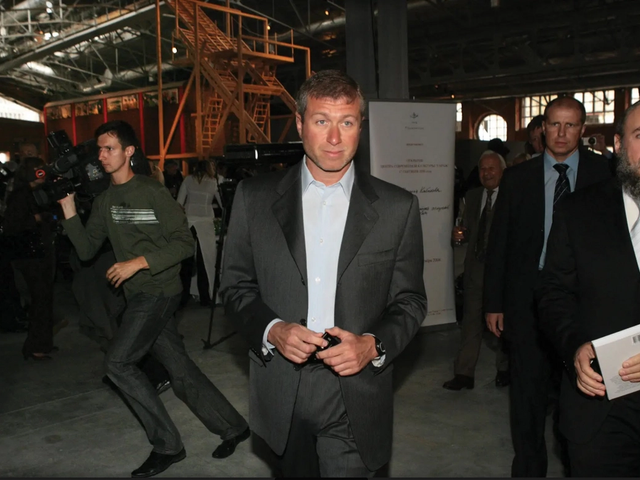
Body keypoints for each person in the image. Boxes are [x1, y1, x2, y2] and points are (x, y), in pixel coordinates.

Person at [219, 70, 428, 477]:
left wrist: (372, 345)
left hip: (355, 389)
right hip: (283, 383)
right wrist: (273, 330)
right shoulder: (254, 199)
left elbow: (410, 300)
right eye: (321, 121)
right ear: (299, 124)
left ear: (360, 126)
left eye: (346, 122)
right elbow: (236, 287)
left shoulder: (396, 207)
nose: (334, 138)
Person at [57, 120, 249, 478]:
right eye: (100, 150)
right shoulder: (104, 201)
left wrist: (138, 262)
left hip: (159, 291)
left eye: (110, 148)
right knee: (179, 368)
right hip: (137, 295)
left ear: (129, 151)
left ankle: (167, 445)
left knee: (118, 363)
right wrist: (68, 211)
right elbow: (85, 250)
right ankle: (234, 427)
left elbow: (184, 243)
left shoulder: (151, 191)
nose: (102, 155)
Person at [483, 96, 611, 477]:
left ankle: (576, 467)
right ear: (542, 128)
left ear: (582, 130)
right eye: (554, 124)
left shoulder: (604, 174)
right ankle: (528, 469)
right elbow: (499, 244)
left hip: (583, 304)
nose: (561, 133)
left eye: (570, 125)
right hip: (527, 304)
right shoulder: (518, 178)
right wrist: (493, 302)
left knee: (579, 396)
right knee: (526, 397)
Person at [537, 100, 640, 477]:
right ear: (619, 143)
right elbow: (553, 293)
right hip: (600, 407)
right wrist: (574, 346)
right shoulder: (578, 211)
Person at [443, 151, 509, 391]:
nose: (487, 173)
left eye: (492, 168)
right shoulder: (472, 196)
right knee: (470, 322)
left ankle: (505, 369)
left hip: (503, 272)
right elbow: (468, 230)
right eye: (482, 169)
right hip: (476, 270)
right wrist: (458, 235)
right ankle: (464, 374)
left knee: (502, 324)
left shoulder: (512, 196)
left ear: (502, 171)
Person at [3, 156, 55, 359]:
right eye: (38, 169)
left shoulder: (35, 192)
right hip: (29, 256)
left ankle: (43, 343)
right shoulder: (21, 195)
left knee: (44, 299)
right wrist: (38, 218)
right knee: (39, 300)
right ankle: (35, 347)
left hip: (37, 253)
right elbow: (13, 225)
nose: (43, 172)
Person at [176, 160, 223, 305]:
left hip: (189, 221)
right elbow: (223, 204)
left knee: (186, 261)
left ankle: (183, 297)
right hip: (205, 222)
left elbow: (179, 202)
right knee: (207, 260)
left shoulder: (188, 180)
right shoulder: (215, 181)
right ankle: (206, 296)